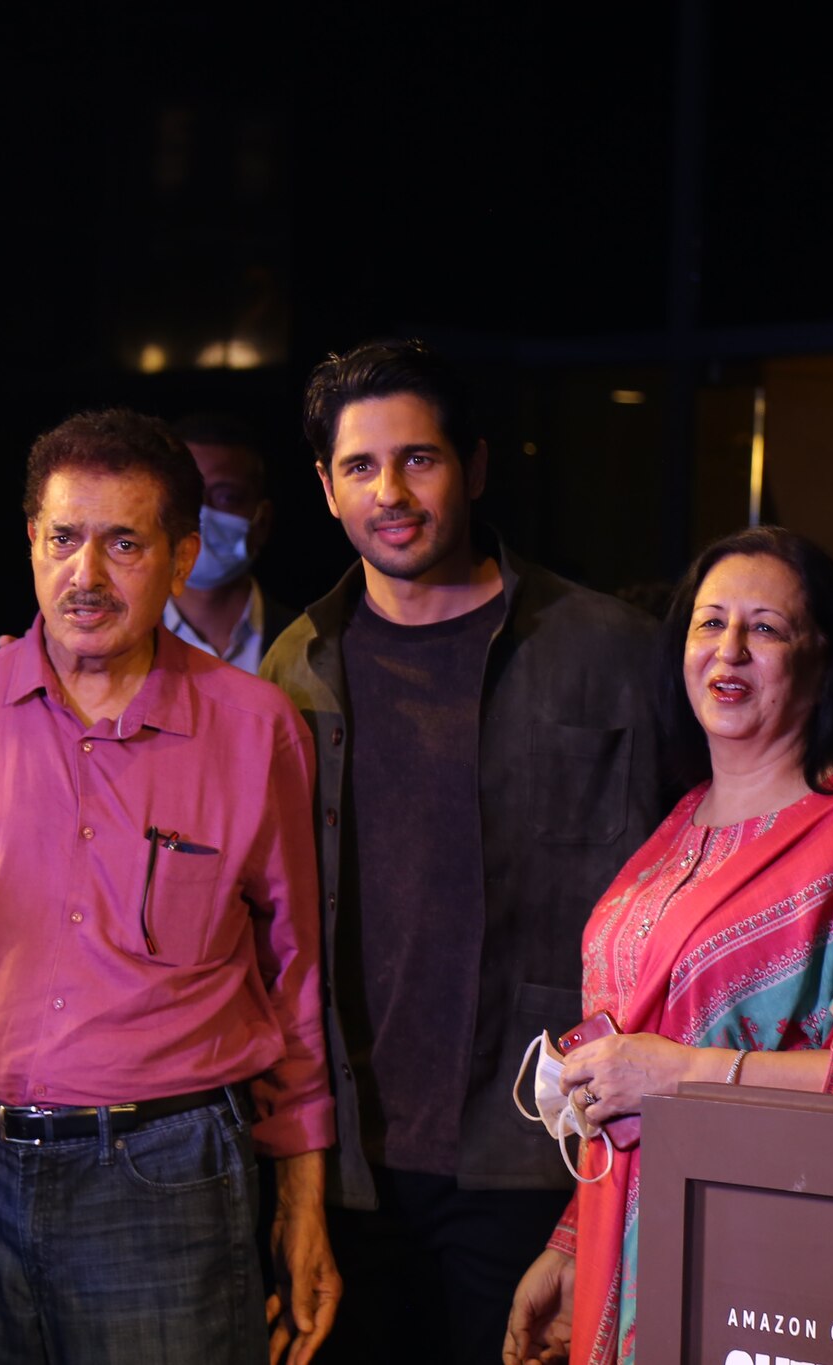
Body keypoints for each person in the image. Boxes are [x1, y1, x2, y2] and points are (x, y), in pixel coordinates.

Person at [0, 408, 339, 1364]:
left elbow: (297, 982)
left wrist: (303, 1202)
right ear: (30, 539)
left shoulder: (256, 731)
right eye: (63, 538)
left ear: (182, 559)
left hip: (169, 1180)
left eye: (123, 543)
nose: (85, 576)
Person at [259, 340, 672, 1365]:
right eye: (359, 467)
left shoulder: (612, 654)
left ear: (474, 467)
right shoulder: (292, 671)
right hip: (352, 1170)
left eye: (418, 460)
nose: (389, 493)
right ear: (323, 487)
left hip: (542, 1156)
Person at [502, 527, 833, 1365]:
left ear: (824, 658)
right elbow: (618, 1069)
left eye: (766, 628)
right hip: (623, 1232)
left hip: (771, 1270)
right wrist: (568, 1243)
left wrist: (680, 1075)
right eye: (709, 623)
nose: (729, 649)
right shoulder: (675, 827)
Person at [163, 412, 300, 673]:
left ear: (263, 520)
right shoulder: (124, 641)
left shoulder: (310, 643)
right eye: (186, 497)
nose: (201, 514)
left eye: (227, 497)